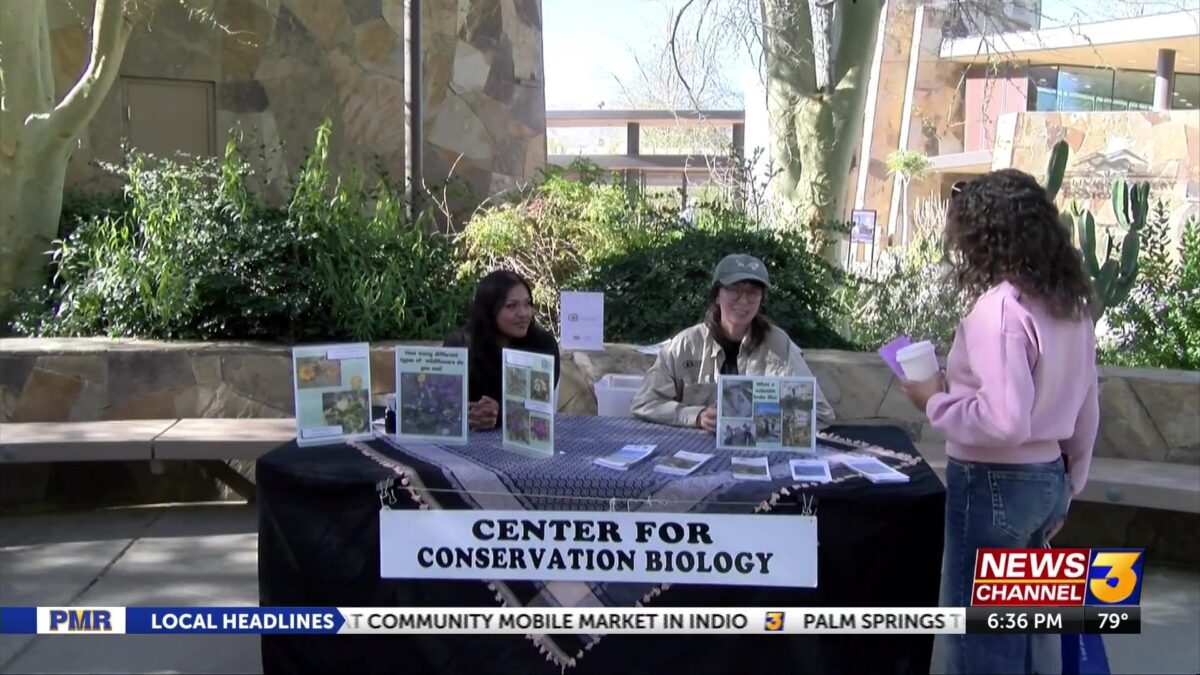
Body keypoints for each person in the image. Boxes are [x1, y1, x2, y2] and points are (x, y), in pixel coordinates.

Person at [900, 169, 1099, 675]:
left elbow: (1005, 422)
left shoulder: (1001, 311)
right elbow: (1085, 405)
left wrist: (933, 401)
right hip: (1048, 480)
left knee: (982, 644)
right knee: (1031, 632)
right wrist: (1070, 484)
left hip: (993, 486)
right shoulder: (1070, 305)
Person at [630, 253, 834, 430]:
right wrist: (697, 416)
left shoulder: (779, 345)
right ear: (717, 295)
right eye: (734, 290)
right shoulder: (685, 346)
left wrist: (766, 421)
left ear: (762, 300)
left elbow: (821, 413)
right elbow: (645, 403)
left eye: (753, 293)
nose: (743, 300)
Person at [445, 270, 561, 431]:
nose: (523, 313)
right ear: (489, 311)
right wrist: (473, 414)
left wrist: (499, 415)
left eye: (527, 304)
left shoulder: (543, 345)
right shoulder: (460, 344)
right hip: (466, 434)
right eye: (511, 306)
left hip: (521, 437)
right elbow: (446, 402)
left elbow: (537, 405)